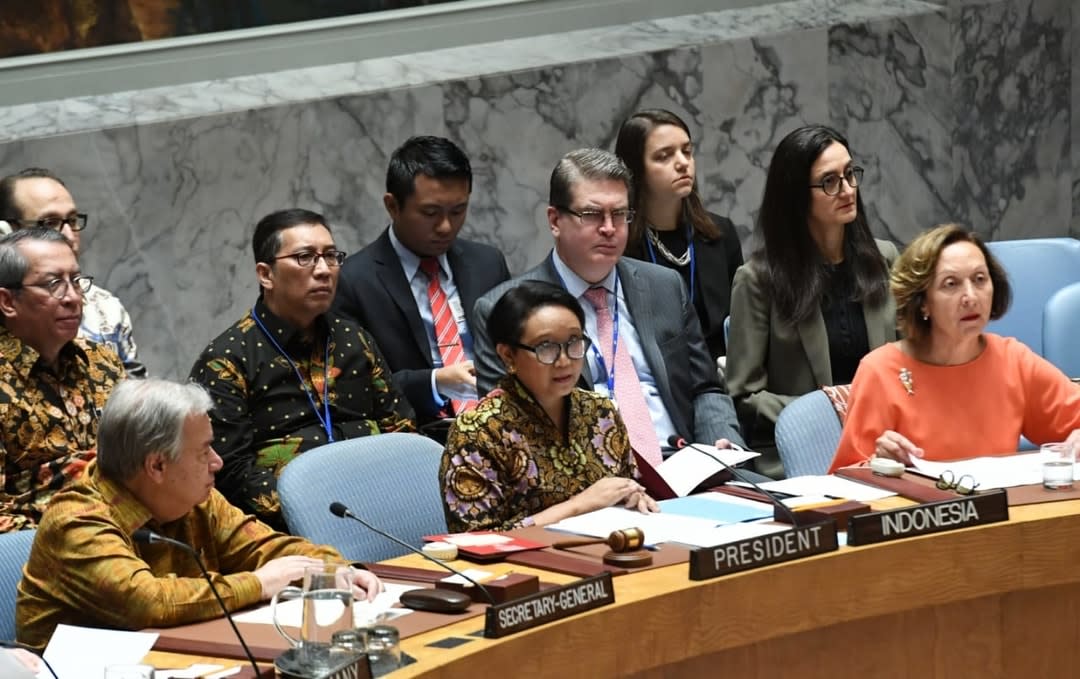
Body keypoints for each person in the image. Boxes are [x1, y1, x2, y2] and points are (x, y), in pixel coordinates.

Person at [16, 379, 383, 651]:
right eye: (204, 451)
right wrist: (259, 584)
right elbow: (148, 601)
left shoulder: (194, 497)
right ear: (157, 465)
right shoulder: (77, 520)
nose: (218, 463)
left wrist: (334, 570)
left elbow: (264, 548)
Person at [473, 148, 745, 474]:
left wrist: (721, 442)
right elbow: (509, 430)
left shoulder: (664, 286)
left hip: (688, 467)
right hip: (589, 486)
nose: (609, 228)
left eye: (619, 214)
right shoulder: (504, 309)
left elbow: (705, 389)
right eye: (591, 215)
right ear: (555, 220)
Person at [190, 209, 415, 529]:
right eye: (305, 257)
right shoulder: (228, 359)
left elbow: (401, 428)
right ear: (266, 274)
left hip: (384, 509)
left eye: (331, 256)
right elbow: (230, 471)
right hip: (289, 530)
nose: (324, 270)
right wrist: (315, 512)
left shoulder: (354, 339)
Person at [830, 224, 1080, 470]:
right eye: (951, 284)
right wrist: (880, 464)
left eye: (980, 279)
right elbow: (845, 483)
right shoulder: (881, 371)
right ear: (922, 302)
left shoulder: (1012, 360)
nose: (971, 296)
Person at [726, 125, 897, 478]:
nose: (848, 189)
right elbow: (744, 396)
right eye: (830, 182)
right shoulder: (758, 279)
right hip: (809, 455)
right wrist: (831, 409)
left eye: (850, 174)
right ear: (795, 197)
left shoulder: (884, 258)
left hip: (889, 443)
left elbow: (912, 362)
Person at [441, 281, 654, 531]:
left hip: (610, 549)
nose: (564, 360)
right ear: (508, 356)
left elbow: (627, 487)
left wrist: (632, 497)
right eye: (546, 347)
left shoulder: (600, 411)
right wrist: (577, 506)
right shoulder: (478, 432)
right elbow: (476, 541)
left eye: (574, 342)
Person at [333, 136, 511, 427]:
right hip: (418, 435)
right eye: (430, 213)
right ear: (393, 206)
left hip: (502, 426)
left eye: (458, 211)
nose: (445, 227)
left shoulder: (487, 263)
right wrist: (434, 382)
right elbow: (354, 387)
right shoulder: (354, 282)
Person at [0, 228, 125, 532]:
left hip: (128, 526)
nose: (72, 298)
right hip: (43, 550)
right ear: (7, 301)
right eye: (53, 284)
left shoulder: (103, 362)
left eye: (76, 281)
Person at [614, 109, 743, 359]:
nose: (683, 163)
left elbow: (741, 323)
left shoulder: (719, 233)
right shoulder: (620, 245)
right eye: (664, 156)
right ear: (635, 169)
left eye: (687, 151)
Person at [0, 168, 145, 377]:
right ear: (5, 233)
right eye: (49, 223)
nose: (69, 235)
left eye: (73, 220)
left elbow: (138, 398)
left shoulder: (106, 308)